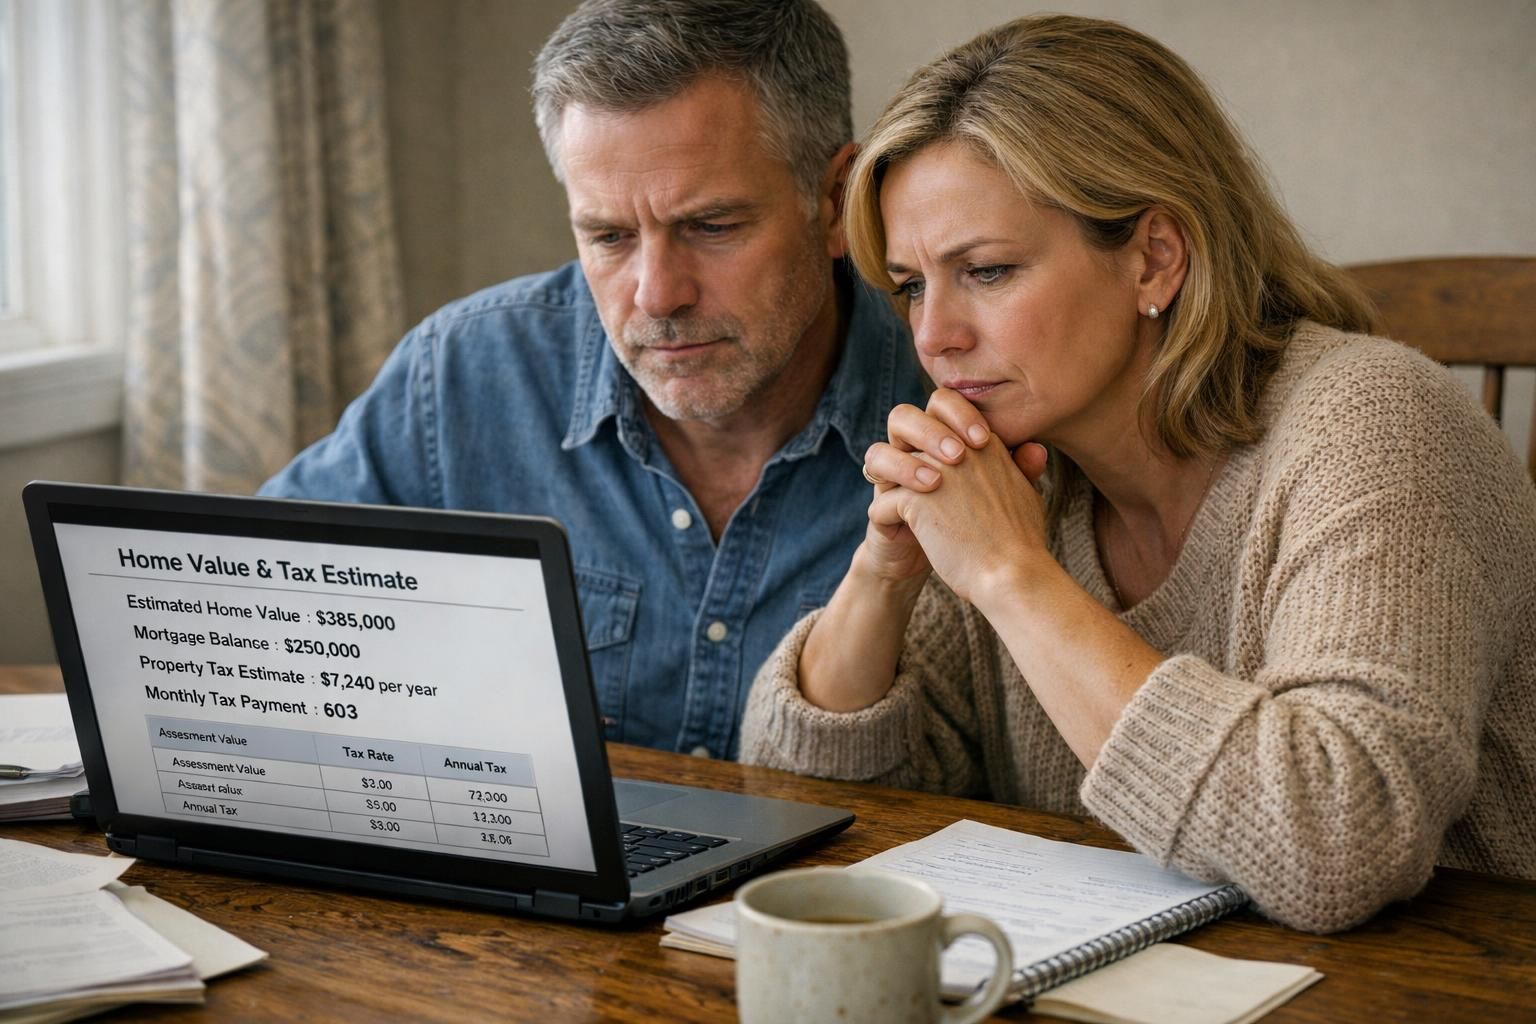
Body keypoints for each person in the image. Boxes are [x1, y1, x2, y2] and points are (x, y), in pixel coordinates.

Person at [739, 14, 1536, 932]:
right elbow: (800, 807)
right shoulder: (1022, 472)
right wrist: (882, 577)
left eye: (988, 271)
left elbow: (1335, 845)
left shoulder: (1378, 423)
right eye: (914, 285)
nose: (933, 335)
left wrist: (1012, 577)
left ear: (1155, 257)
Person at [259, 0, 926, 758]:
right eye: (609, 236)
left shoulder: (952, 393)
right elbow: (256, 612)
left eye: (711, 228)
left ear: (836, 202)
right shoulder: (463, 377)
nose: (656, 294)